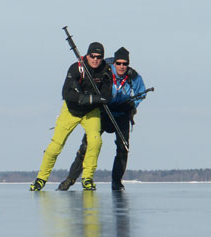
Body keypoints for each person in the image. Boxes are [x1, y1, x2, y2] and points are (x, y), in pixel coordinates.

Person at [56, 47, 146, 191]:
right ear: (114, 63)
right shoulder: (106, 70)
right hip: (103, 111)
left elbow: (141, 93)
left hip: (122, 114)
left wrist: (132, 104)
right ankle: (70, 179)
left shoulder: (133, 76)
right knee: (87, 145)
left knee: (123, 148)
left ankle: (117, 182)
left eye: (125, 64)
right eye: (118, 63)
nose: (121, 66)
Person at [29, 42, 113, 191]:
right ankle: (41, 179)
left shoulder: (106, 70)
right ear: (87, 56)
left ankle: (87, 178)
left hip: (90, 112)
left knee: (95, 141)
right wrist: (88, 98)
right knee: (55, 147)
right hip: (70, 111)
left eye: (99, 57)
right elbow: (67, 94)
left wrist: (91, 99)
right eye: (92, 56)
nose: (95, 59)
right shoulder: (76, 68)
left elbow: (107, 97)